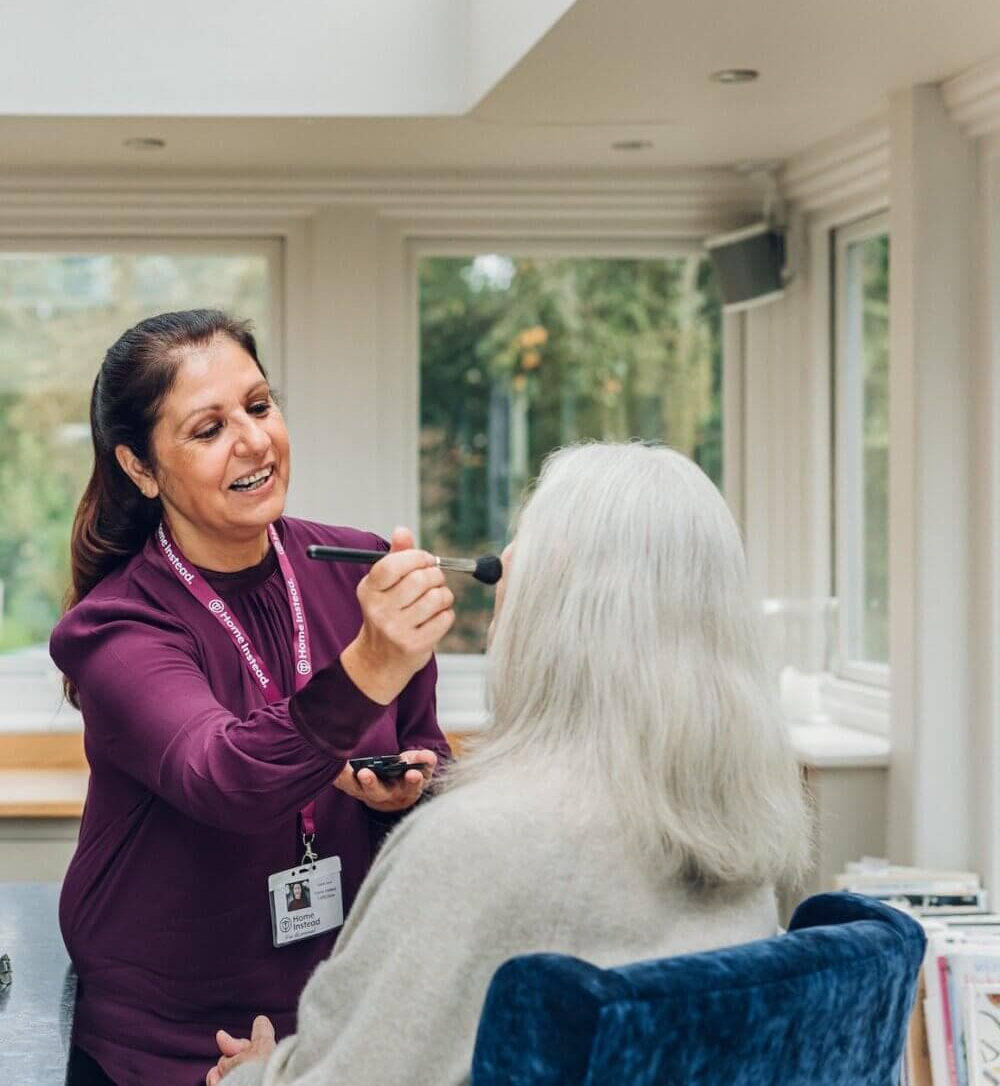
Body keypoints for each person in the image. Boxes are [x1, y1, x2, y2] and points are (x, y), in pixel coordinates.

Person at [206, 441, 813, 1086]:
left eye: (524, 540)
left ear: (558, 608)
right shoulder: (743, 841)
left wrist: (256, 1075)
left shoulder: (472, 848)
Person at [50, 310, 454, 1086]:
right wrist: (371, 661)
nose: (254, 442)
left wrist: (407, 785)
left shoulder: (359, 565)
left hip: (332, 1026)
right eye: (207, 429)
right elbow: (223, 777)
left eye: (260, 406)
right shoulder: (116, 627)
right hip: (169, 1045)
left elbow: (425, 742)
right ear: (139, 468)